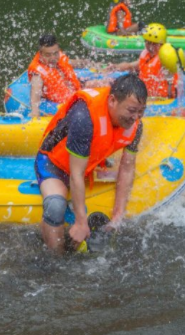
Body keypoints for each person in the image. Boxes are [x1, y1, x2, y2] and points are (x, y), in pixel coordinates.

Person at [35, 73, 147, 253]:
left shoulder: (136, 125)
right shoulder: (84, 117)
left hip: (87, 164)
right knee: (55, 207)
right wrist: (81, 222)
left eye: (141, 111)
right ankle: (55, 261)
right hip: (53, 163)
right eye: (131, 110)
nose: (136, 117)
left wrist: (118, 216)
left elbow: (126, 168)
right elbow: (76, 174)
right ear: (112, 101)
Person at [28, 34, 106, 118]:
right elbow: (35, 94)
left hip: (76, 88)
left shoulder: (58, 57)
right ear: (41, 54)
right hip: (66, 100)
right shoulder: (38, 75)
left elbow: (70, 62)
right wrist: (35, 114)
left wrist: (92, 64)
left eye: (55, 53)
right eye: (48, 55)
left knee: (103, 83)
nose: (53, 58)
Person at [111, 23, 178, 98]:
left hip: (160, 98)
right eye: (148, 43)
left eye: (154, 44)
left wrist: (169, 80)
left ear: (162, 44)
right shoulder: (147, 55)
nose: (150, 47)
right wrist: (114, 67)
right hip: (144, 94)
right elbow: (130, 66)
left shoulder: (166, 59)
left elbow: (172, 93)